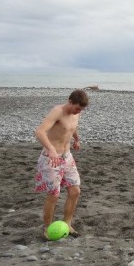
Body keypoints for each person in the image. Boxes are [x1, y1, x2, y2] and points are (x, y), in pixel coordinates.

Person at [34, 89, 89, 239]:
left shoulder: (76, 112)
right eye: (77, 108)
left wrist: (76, 139)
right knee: (54, 195)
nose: (78, 111)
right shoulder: (57, 111)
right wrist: (51, 149)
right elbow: (39, 132)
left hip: (67, 156)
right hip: (51, 158)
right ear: (70, 101)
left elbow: (72, 127)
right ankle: (47, 228)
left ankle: (68, 224)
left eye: (81, 109)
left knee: (75, 191)